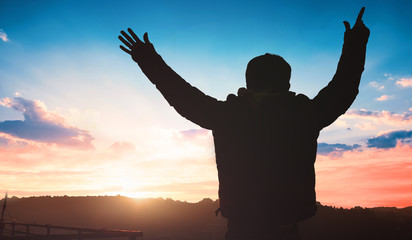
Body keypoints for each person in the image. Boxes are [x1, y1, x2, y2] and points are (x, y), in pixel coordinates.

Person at [119, 7, 369, 240]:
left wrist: (148, 59)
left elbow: (181, 95)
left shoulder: (227, 115)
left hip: (241, 229)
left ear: (248, 82)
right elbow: (343, 89)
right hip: (285, 229)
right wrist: (355, 44)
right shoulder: (305, 114)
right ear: (287, 84)